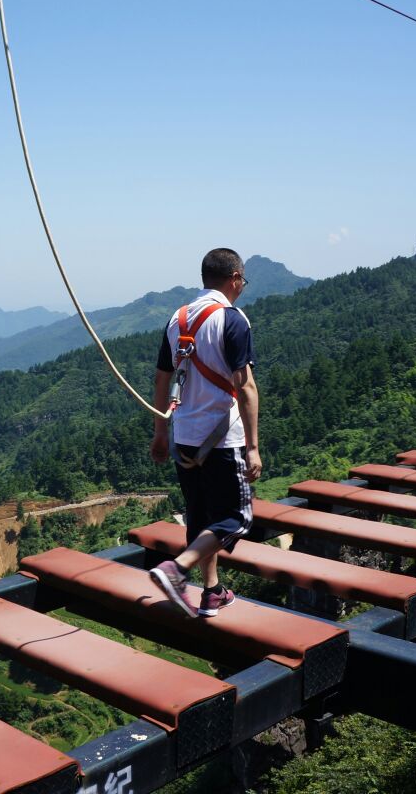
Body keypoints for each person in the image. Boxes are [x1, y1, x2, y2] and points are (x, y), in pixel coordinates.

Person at [148, 247, 262, 617]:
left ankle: (211, 592)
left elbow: (163, 378)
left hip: (185, 435)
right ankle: (177, 570)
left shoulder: (177, 319)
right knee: (236, 518)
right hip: (222, 437)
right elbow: (245, 387)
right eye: (242, 280)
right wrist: (254, 447)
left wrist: (160, 432)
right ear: (234, 279)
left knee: (200, 516)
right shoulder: (232, 319)